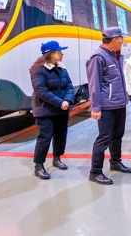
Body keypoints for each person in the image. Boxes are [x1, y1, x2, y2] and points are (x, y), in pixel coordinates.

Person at [86, 27, 131, 185]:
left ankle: (115, 162)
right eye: (121, 39)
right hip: (106, 106)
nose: (123, 42)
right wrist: (96, 107)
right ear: (114, 40)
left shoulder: (116, 56)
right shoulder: (98, 57)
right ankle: (95, 171)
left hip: (119, 103)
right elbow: (94, 84)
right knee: (104, 138)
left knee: (117, 135)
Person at [30, 40, 75, 180]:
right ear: (50, 54)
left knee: (61, 135)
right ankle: (39, 166)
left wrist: (67, 101)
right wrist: (60, 102)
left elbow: (69, 86)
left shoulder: (61, 68)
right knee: (44, 138)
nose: (62, 53)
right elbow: (41, 91)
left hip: (62, 109)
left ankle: (57, 158)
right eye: (59, 51)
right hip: (45, 110)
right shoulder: (38, 70)